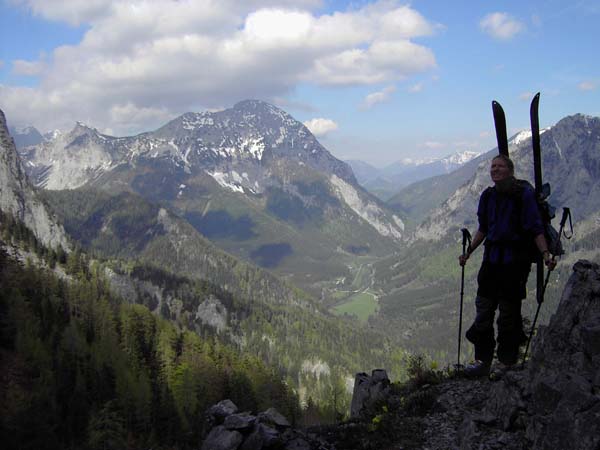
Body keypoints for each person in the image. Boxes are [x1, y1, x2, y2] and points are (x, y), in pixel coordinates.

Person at [458, 154, 556, 377]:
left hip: (514, 264)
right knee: (483, 311)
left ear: (510, 170)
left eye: (500, 166)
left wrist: (545, 253)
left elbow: (535, 228)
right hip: (491, 262)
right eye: (493, 166)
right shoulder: (488, 196)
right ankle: (483, 361)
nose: (495, 169)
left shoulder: (524, 196)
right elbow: (483, 228)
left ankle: (506, 362)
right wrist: (468, 252)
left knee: (508, 315)